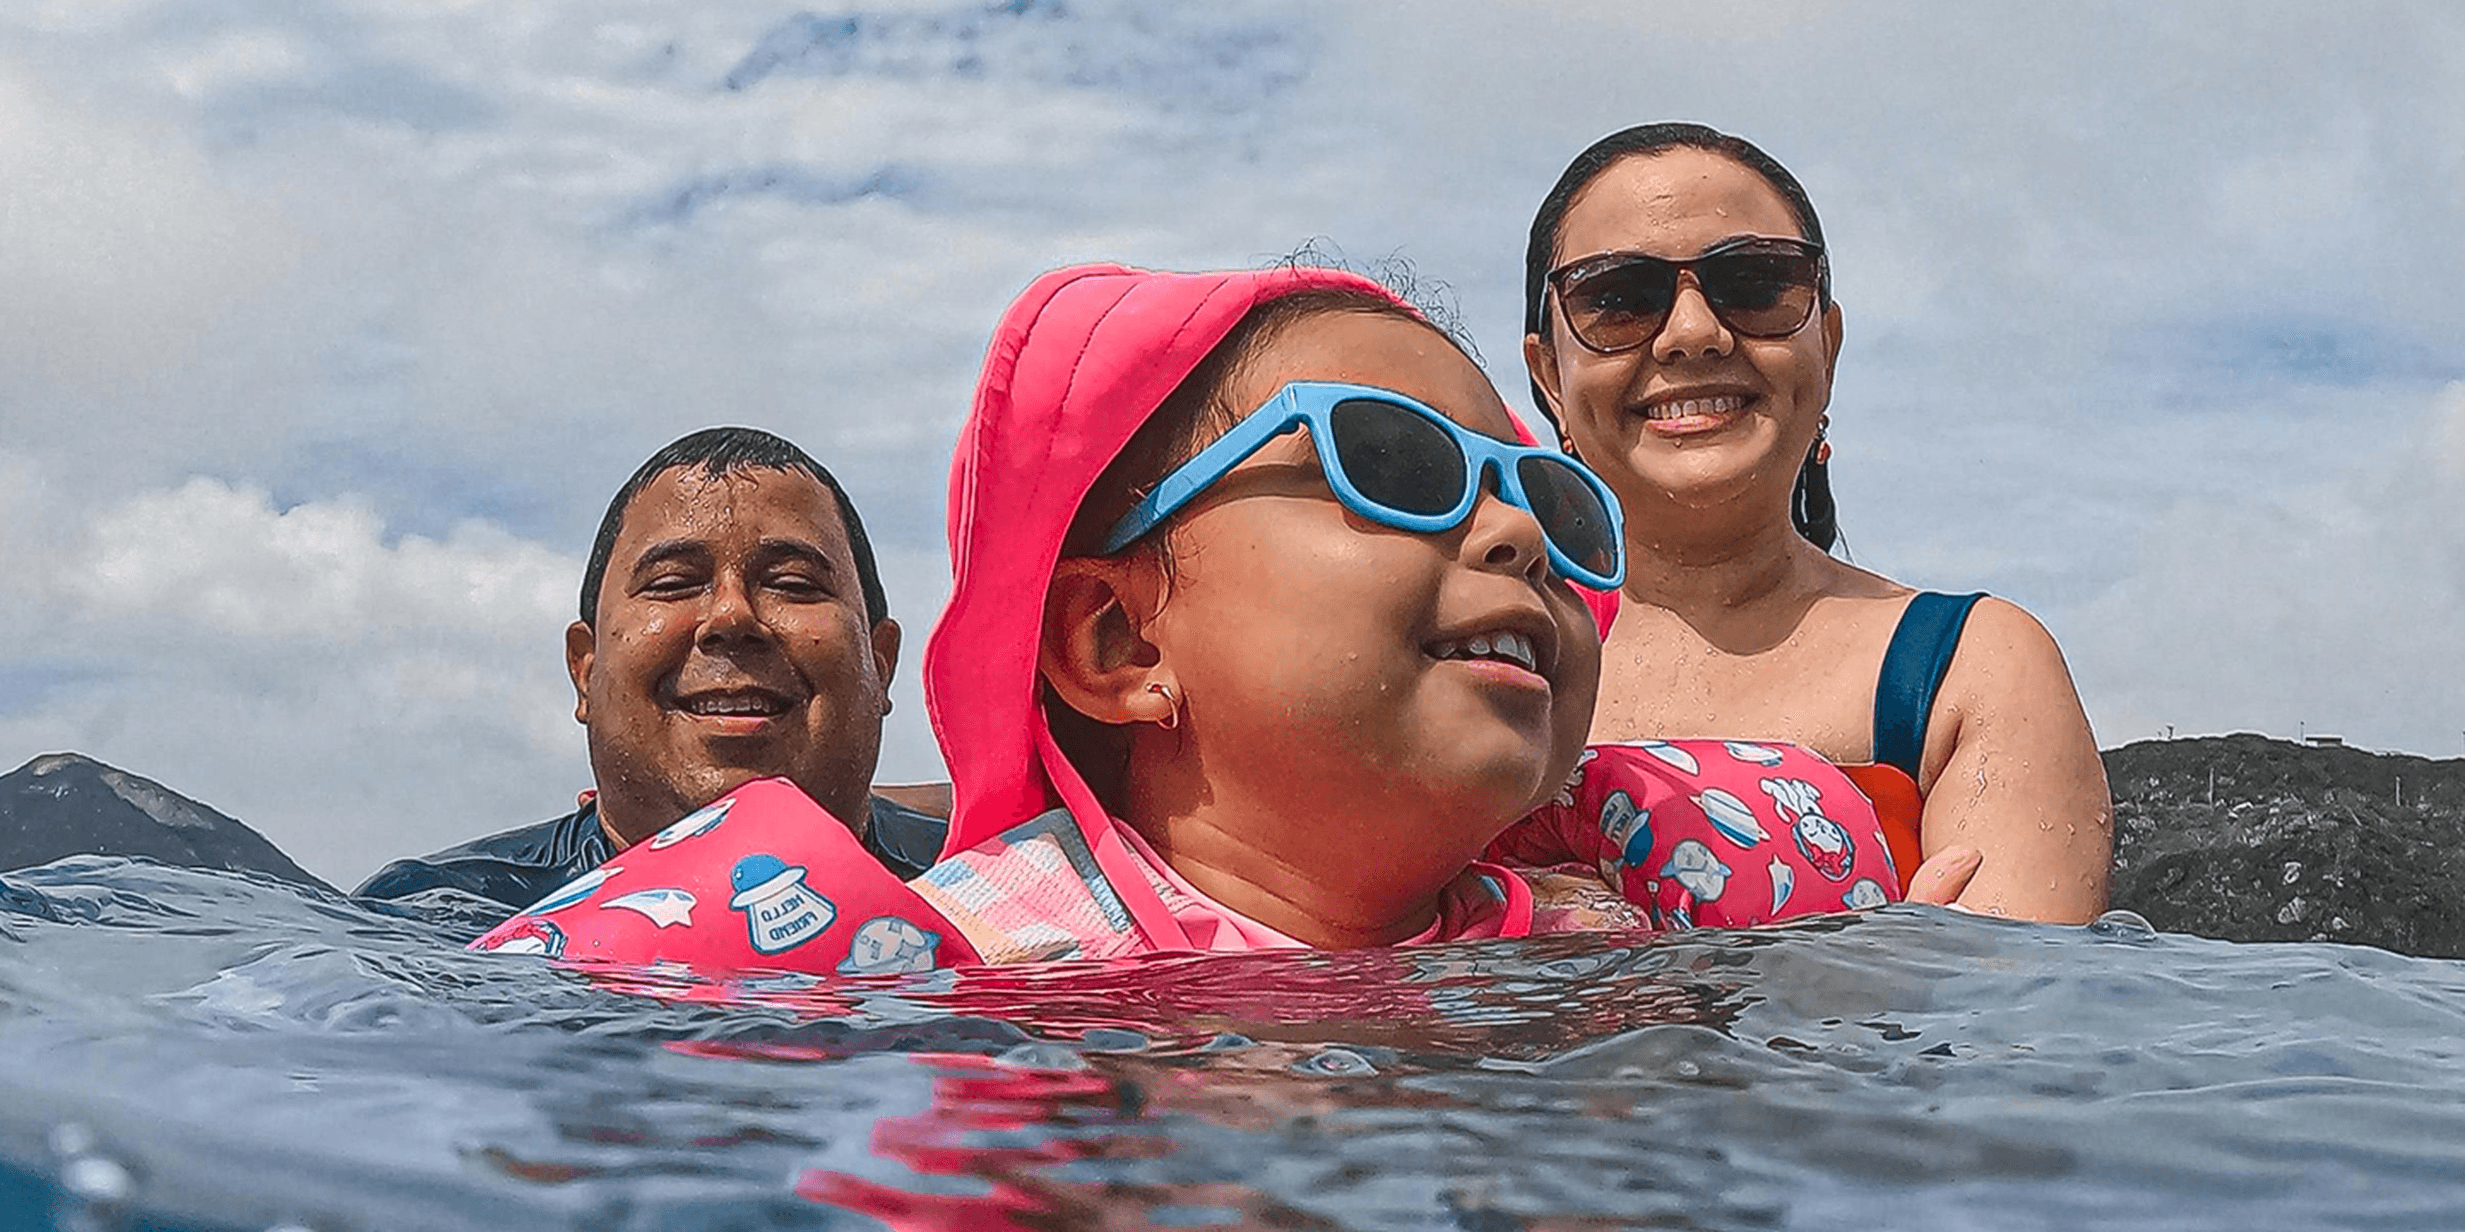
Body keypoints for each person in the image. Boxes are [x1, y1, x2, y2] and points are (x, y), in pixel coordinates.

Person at [1519, 123, 2109, 923]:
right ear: (1548, 375)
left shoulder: (1969, 668)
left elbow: (2014, 1029)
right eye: (1617, 299)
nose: (1693, 334)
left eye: (1757, 285)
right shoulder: (1470, 650)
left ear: (1825, 346)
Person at [357, 427, 946, 913]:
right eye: (672, 584)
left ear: (880, 662)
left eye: (793, 584)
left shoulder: (991, 885)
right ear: (585, 669)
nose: (731, 615)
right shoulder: (432, 914)